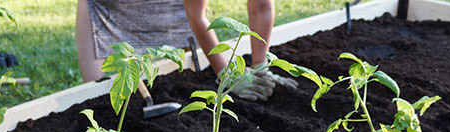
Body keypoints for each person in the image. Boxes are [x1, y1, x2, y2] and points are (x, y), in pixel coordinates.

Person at [75, 0, 295, 101]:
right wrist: (226, 72)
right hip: (108, 7)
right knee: (96, 97)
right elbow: (196, 16)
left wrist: (260, 63)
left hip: (172, 6)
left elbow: (261, 7)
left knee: (184, 72)